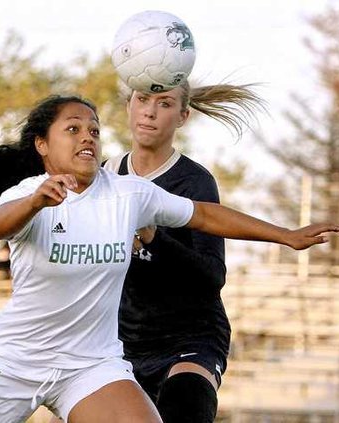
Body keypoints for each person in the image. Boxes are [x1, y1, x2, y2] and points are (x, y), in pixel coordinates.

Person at [0, 94, 339, 423]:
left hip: (90, 365)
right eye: (72, 129)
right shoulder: (27, 193)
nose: (87, 137)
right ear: (42, 144)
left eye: (93, 129)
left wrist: (286, 235)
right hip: (13, 360)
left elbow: (202, 215)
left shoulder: (127, 194)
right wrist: (36, 202)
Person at [101, 81, 265, 422]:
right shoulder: (106, 175)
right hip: (122, 342)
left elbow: (212, 277)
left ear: (183, 116)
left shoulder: (194, 181)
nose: (149, 111)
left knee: (185, 402)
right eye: (143, 99)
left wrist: (154, 239)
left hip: (190, 338)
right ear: (128, 105)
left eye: (165, 103)